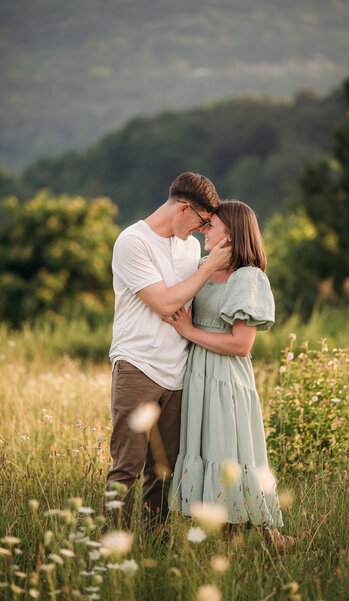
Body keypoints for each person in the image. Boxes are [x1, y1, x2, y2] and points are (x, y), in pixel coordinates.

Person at [165, 200, 295, 551]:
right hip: (197, 375)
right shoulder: (204, 266)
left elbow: (241, 344)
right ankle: (227, 541)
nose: (205, 229)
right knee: (208, 450)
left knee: (234, 453)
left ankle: (271, 538)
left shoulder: (247, 277)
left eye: (213, 225)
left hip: (225, 377)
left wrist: (190, 333)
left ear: (233, 233)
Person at [105, 172, 231, 530]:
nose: (201, 231)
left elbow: (190, 300)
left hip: (179, 372)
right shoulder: (133, 242)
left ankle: (153, 553)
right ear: (184, 208)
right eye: (203, 222)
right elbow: (163, 303)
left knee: (164, 471)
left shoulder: (189, 247)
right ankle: (111, 551)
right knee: (126, 468)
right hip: (138, 367)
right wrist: (208, 268)